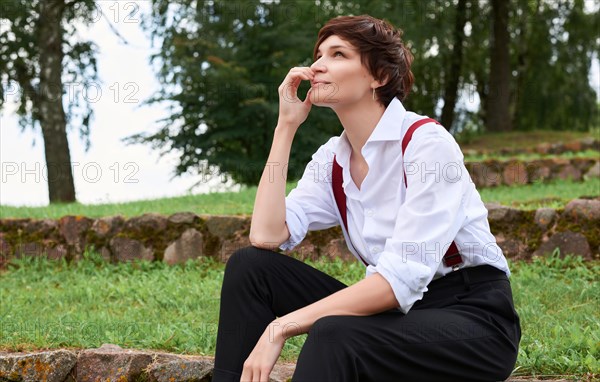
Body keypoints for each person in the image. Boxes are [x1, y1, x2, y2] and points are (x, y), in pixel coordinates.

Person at [212, 14, 521, 382]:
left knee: (333, 334)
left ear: (379, 76)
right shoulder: (333, 159)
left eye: (338, 54)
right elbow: (266, 235)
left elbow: (397, 281)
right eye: (318, 54)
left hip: (471, 320)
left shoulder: (426, 145)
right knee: (251, 268)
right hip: (397, 317)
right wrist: (286, 126)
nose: (317, 66)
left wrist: (281, 326)